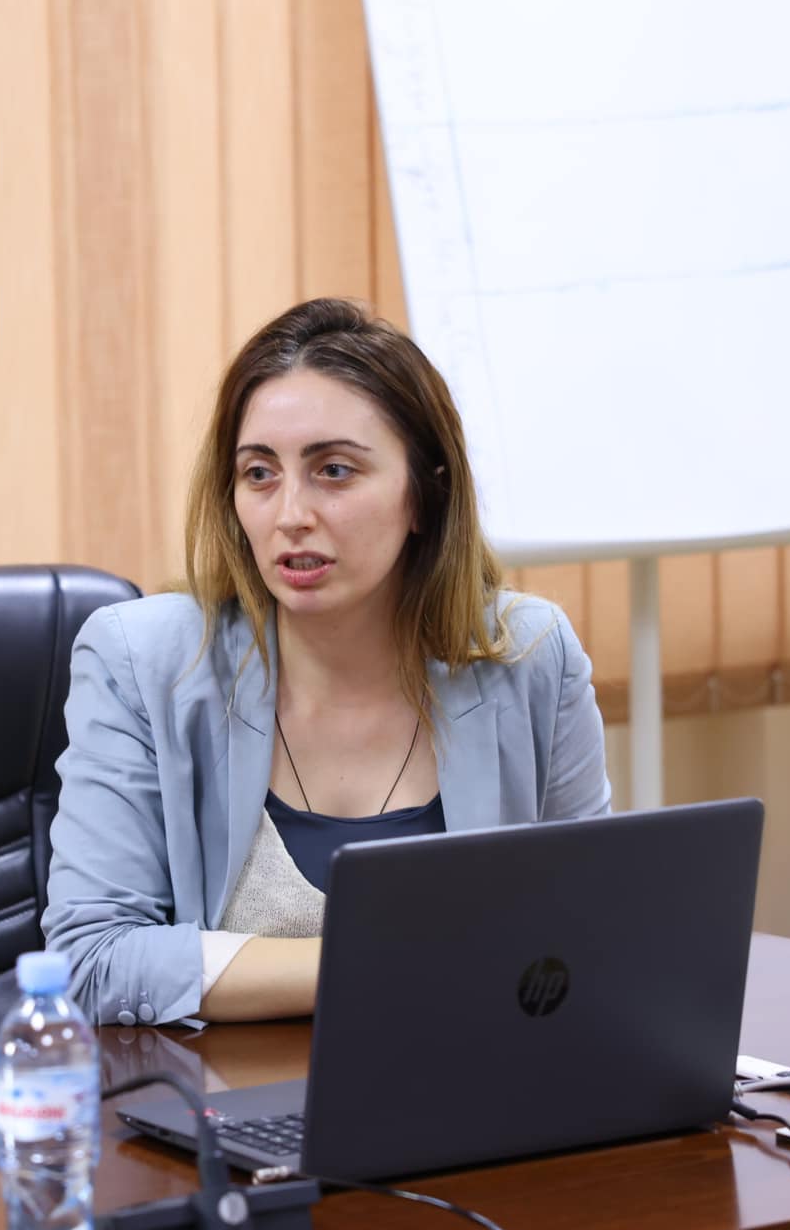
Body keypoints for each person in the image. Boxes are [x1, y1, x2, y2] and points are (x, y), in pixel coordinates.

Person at [41, 298, 611, 1027]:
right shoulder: (142, 662)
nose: (290, 515)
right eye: (259, 474)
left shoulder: (527, 656)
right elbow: (92, 962)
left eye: (334, 470)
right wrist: (392, 958)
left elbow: (587, 927)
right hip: (228, 1089)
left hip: (470, 1074)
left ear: (424, 495)